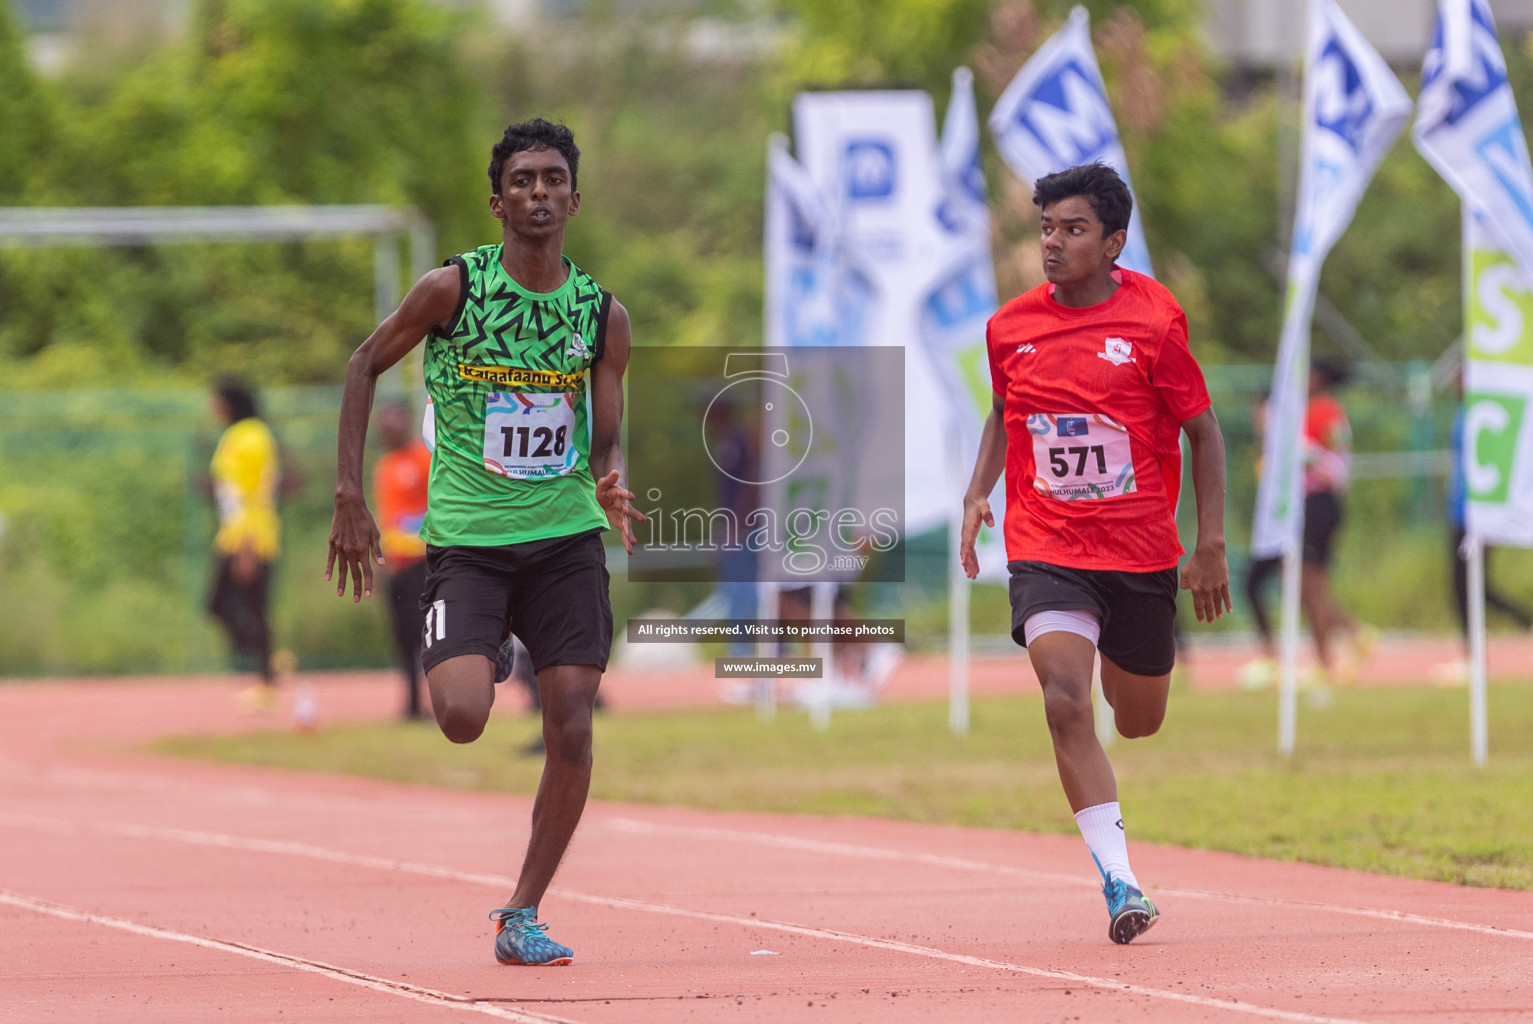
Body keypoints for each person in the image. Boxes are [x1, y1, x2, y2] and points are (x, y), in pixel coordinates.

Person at [326, 118, 642, 967]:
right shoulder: (451, 290)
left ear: (575, 197)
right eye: (522, 180)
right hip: (468, 537)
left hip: (565, 534)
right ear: (496, 198)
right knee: (463, 717)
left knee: (572, 721)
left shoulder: (600, 315)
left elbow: (605, 432)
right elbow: (363, 363)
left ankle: (523, 910)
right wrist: (349, 492)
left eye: (552, 180)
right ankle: (489, 645)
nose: (537, 193)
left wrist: (610, 474)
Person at [959, 163, 1230, 945]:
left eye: (1072, 230)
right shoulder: (1009, 326)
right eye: (1045, 228)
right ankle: (1119, 880)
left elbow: (1202, 430)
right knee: (1062, 700)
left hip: (1140, 552)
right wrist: (980, 490)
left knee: (1136, 719)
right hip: (1048, 548)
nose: (1052, 243)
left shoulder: (1154, 321)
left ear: (1113, 242)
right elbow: (1005, 410)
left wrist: (1208, 543)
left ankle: (1124, 666)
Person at [1437, 402, 1533, 683]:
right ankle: (1481, 649)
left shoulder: (1484, 408)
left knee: (1468, 586)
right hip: (1459, 511)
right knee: (1473, 587)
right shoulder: (1464, 411)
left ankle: (1475, 658)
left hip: (1478, 513)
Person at [207, 378, 282, 714]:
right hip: (233, 535)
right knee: (221, 605)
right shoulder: (236, 436)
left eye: (215, 399)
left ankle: (267, 675)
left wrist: (247, 547)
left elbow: (253, 494)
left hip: (250, 538)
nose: (211, 406)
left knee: (249, 607)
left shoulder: (251, 437)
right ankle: (268, 660)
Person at [1296, 358, 1373, 682]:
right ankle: (1349, 638)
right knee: (1313, 582)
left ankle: (1332, 651)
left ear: (1319, 377)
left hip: (1319, 500)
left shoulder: (1321, 410)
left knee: (1308, 583)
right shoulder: (1328, 409)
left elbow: (1333, 459)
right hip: (1324, 502)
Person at [372, 401, 432, 720]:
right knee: (403, 638)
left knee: (426, 635)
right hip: (396, 565)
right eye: (383, 419)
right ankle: (411, 704)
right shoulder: (383, 466)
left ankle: (436, 701)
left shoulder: (422, 459)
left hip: (421, 562)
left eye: (394, 417)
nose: (387, 425)